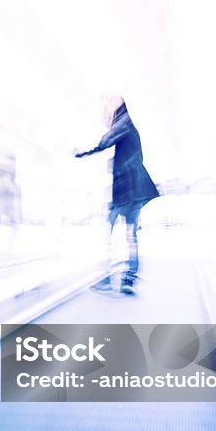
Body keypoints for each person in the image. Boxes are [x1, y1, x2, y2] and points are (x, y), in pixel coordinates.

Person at [74, 97, 159, 294]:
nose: (106, 113)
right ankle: (128, 280)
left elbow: (105, 142)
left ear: (116, 108)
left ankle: (107, 279)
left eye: (108, 109)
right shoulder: (130, 127)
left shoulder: (123, 123)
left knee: (109, 232)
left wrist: (82, 153)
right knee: (130, 235)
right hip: (134, 191)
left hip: (125, 191)